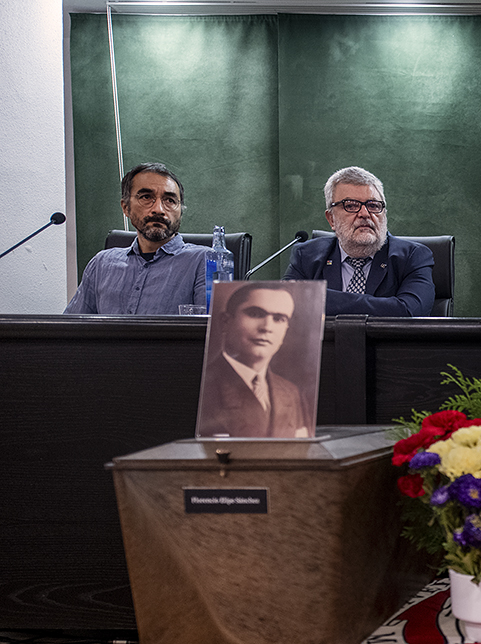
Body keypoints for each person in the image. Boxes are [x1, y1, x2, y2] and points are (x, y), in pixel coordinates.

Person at [284, 166, 435, 317]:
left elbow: (410, 312)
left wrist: (315, 297)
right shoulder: (306, 255)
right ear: (331, 219)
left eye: (373, 206)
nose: (365, 214)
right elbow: (286, 305)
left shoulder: (413, 257)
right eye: (350, 205)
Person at [65, 163, 209, 315]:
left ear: (180, 211)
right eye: (146, 197)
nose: (159, 210)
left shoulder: (205, 261)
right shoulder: (101, 264)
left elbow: (213, 332)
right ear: (126, 207)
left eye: (170, 201)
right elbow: (70, 331)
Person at [196, 283, 312, 438]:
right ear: (225, 321)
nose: (267, 327)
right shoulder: (205, 385)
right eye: (256, 314)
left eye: (279, 319)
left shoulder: (291, 393)